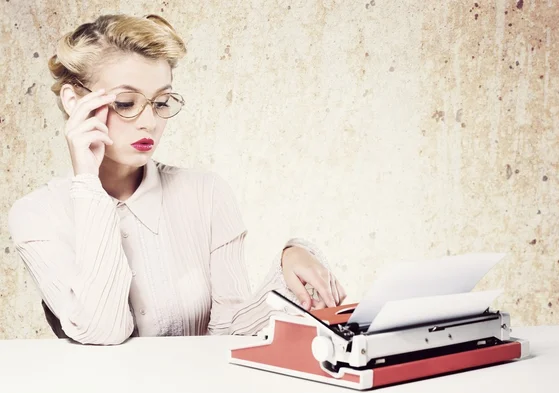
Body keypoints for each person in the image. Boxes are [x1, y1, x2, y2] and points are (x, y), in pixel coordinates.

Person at [7, 14, 346, 345]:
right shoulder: (36, 215)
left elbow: (231, 336)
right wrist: (88, 183)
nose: (149, 122)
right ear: (74, 101)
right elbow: (103, 331)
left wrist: (291, 262)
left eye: (161, 102)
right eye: (126, 103)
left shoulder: (206, 194)